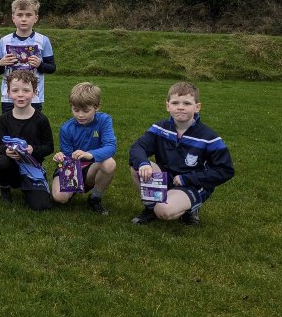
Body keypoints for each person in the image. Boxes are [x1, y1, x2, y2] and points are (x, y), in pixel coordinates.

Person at [129, 81, 234, 226]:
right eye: (175, 102)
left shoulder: (209, 138)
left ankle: (189, 208)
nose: (180, 107)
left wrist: (187, 178)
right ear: (167, 106)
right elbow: (138, 146)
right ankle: (150, 208)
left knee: (164, 211)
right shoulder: (160, 128)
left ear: (197, 107)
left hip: (191, 184)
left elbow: (225, 170)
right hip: (166, 177)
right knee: (137, 168)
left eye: (187, 103)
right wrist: (143, 163)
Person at [50, 82, 116, 215]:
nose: (80, 115)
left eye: (85, 111)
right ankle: (72, 190)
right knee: (59, 198)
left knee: (109, 163)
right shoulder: (66, 128)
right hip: (72, 168)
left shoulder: (104, 120)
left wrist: (89, 154)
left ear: (96, 107)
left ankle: (95, 198)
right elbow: (67, 157)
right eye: (76, 110)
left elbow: (110, 146)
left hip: (92, 168)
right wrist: (60, 158)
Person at [0, 70, 54, 211]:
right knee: (0, 162)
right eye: (15, 90)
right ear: (8, 92)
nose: (20, 94)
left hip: (32, 166)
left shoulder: (41, 120)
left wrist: (33, 150)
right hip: (11, 165)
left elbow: (49, 147)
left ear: (34, 92)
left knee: (42, 206)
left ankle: (32, 184)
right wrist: (6, 151)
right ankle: (5, 189)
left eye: (26, 90)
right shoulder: (4, 119)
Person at [0, 0, 55, 113]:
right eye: (20, 15)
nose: (24, 19)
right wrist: (1, 63)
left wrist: (40, 65)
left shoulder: (43, 40)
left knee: (32, 129)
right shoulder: (4, 40)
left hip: (34, 97)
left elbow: (52, 68)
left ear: (36, 18)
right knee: (9, 128)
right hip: (9, 97)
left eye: (28, 15)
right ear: (13, 18)